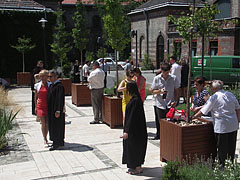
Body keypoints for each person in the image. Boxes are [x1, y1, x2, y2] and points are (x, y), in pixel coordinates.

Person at [193, 80, 240, 166]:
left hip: (221, 126)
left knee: (222, 148)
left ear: (215, 88)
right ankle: (230, 164)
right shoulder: (230, 94)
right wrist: (237, 120)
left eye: (211, 87)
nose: (210, 88)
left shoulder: (214, 97)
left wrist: (194, 117)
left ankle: (222, 167)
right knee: (231, 147)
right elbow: (237, 108)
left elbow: (203, 111)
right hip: (233, 124)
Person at [121, 80, 148, 175]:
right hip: (137, 131)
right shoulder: (136, 99)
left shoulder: (135, 101)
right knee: (134, 147)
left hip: (135, 132)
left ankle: (138, 167)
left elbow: (132, 118)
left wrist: (127, 131)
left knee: (135, 148)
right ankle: (136, 165)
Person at [151, 63, 180, 140]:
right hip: (160, 103)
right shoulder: (157, 78)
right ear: (162, 71)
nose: (166, 74)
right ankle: (160, 135)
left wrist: (176, 100)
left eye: (167, 72)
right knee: (160, 121)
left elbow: (176, 90)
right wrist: (160, 91)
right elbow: (152, 91)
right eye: (164, 72)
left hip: (170, 103)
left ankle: (169, 136)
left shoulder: (173, 78)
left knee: (170, 121)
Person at [47, 70, 65, 151]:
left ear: (56, 77)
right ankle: (59, 141)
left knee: (57, 126)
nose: (49, 78)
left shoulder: (59, 86)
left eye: (51, 76)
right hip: (51, 109)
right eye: (49, 76)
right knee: (55, 125)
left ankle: (56, 142)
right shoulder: (51, 85)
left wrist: (58, 110)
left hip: (56, 110)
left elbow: (59, 99)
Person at [34, 70, 51, 146]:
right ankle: (45, 139)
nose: (44, 78)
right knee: (43, 123)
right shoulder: (37, 85)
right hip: (40, 105)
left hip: (48, 105)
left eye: (45, 76)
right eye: (42, 76)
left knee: (47, 124)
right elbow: (35, 97)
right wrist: (35, 106)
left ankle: (46, 136)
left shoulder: (50, 85)